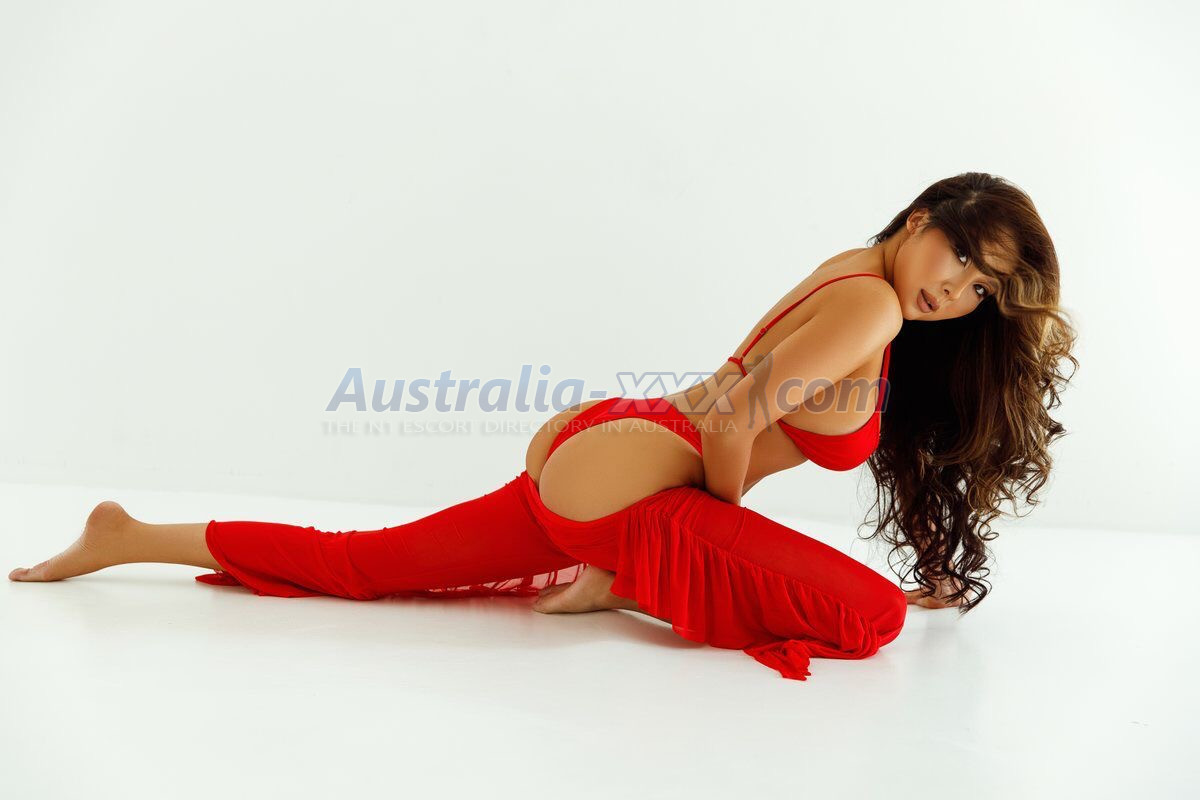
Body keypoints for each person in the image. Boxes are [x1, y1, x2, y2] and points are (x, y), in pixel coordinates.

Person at [7, 171, 1078, 681]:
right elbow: (734, 422)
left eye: (983, 287)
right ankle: (621, 573)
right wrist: (698, 539)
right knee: (871, 619)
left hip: (607, 450)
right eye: (960, 256)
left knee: (367, 562)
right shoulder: (875, 304)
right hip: (639, 484)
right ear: (922, 218)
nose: (957, 291)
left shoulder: (860, 275)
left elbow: (750, 406)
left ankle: (128, 536)